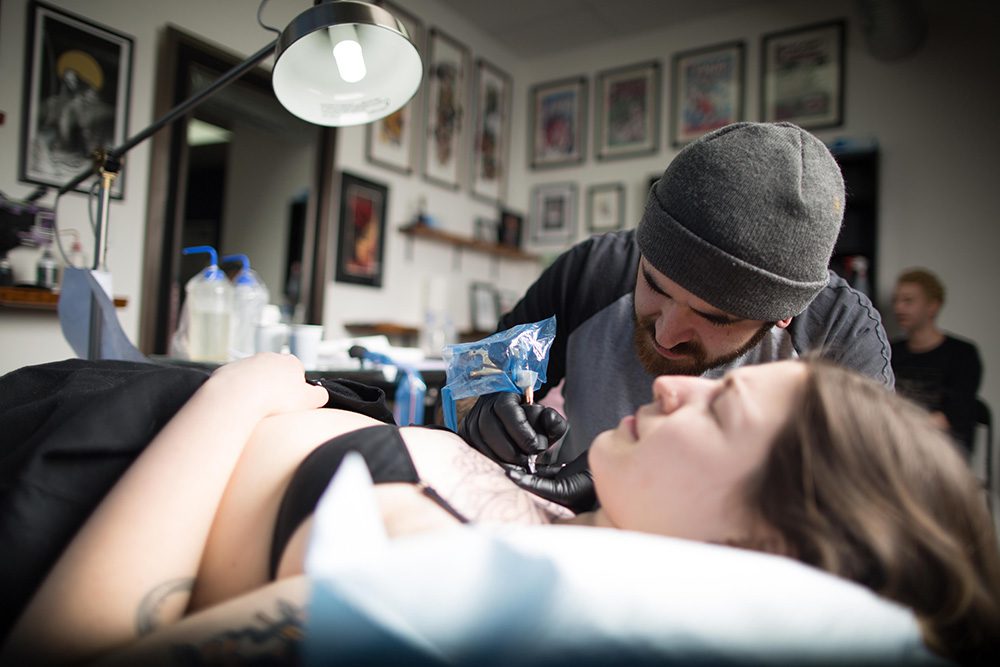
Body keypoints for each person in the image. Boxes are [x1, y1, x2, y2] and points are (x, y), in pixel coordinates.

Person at [2, 353, 998, 665]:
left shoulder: (457, 577)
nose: (672, 386)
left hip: (41, 480)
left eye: (721, 405)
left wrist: (234, 393)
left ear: (768, 540)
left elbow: (69, 650)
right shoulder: (570, 529)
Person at [458, 121, 894, 511]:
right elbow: (474, 375)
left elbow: (862, 516)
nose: (666, 334)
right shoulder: (593, 271)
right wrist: (486, 407)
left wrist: (650, 490)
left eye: (715, 318)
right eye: (654, 285)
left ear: (783, 315)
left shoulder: (841, 338)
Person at [891, 267, 983, 454]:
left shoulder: (962, 354)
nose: (898, 308)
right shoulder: (890, 350)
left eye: (908, 301)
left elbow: (954, 414)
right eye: (896, 301)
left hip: (940, 451)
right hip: (897, 446)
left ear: (932, 306)